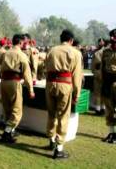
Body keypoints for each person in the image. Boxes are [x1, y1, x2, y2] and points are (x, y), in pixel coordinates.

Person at [45, 30, 83, 159]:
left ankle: (51, 140)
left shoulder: (52, 50)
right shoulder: (75, 53)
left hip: (50, 84)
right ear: (71, 40)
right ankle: (59, 148)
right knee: (63, 115)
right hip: (65, 85)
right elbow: (77, 76)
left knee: (51, 113)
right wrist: (77, 93)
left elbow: (46, 67)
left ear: (61, 39)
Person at [0, 34, 35, 143]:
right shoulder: (21, 55)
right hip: (14, 83)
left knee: (7, 108)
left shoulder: (6, 53)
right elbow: (27, 74)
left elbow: (1, 68)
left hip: (4, 81)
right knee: (17, 111)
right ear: (20, 43)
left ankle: (10, 131)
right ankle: (7, 132)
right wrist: (31, 89)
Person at [101, 29, 116, 144]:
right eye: (111, 36)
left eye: (114, 36)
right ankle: (111, 133)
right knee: (109, 109)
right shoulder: (106, 51)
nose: (112, 38)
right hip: (107, 82)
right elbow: (102, 68)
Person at [91, 38, 105, 115]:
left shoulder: (97, 53)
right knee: (104, 93)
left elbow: (93, 66)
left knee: (98, 92)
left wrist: (95, 72)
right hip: (105, 75)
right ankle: (102, 108)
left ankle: (98, 109)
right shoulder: (107, 51)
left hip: (98, 74)